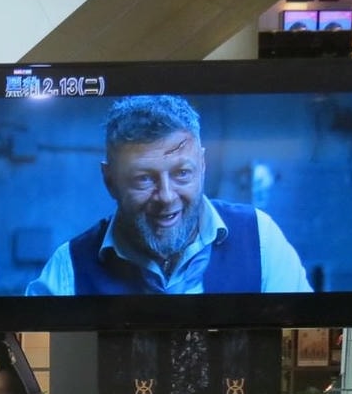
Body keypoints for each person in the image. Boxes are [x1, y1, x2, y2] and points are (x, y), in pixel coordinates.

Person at [26, 95, 313, 296]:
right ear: (110, 180)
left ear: (202, 165)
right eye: (143, 178)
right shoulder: (69, 269)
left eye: (182, 173)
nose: (166, 197)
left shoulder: (260, 238)